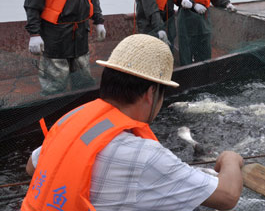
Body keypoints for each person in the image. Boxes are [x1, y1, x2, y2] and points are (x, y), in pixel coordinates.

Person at [22, 34, 244, 210]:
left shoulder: (71, 120)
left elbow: (32, 167)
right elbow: (227, 196)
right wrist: (231, 160)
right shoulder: (144, 156)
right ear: (151, 93)